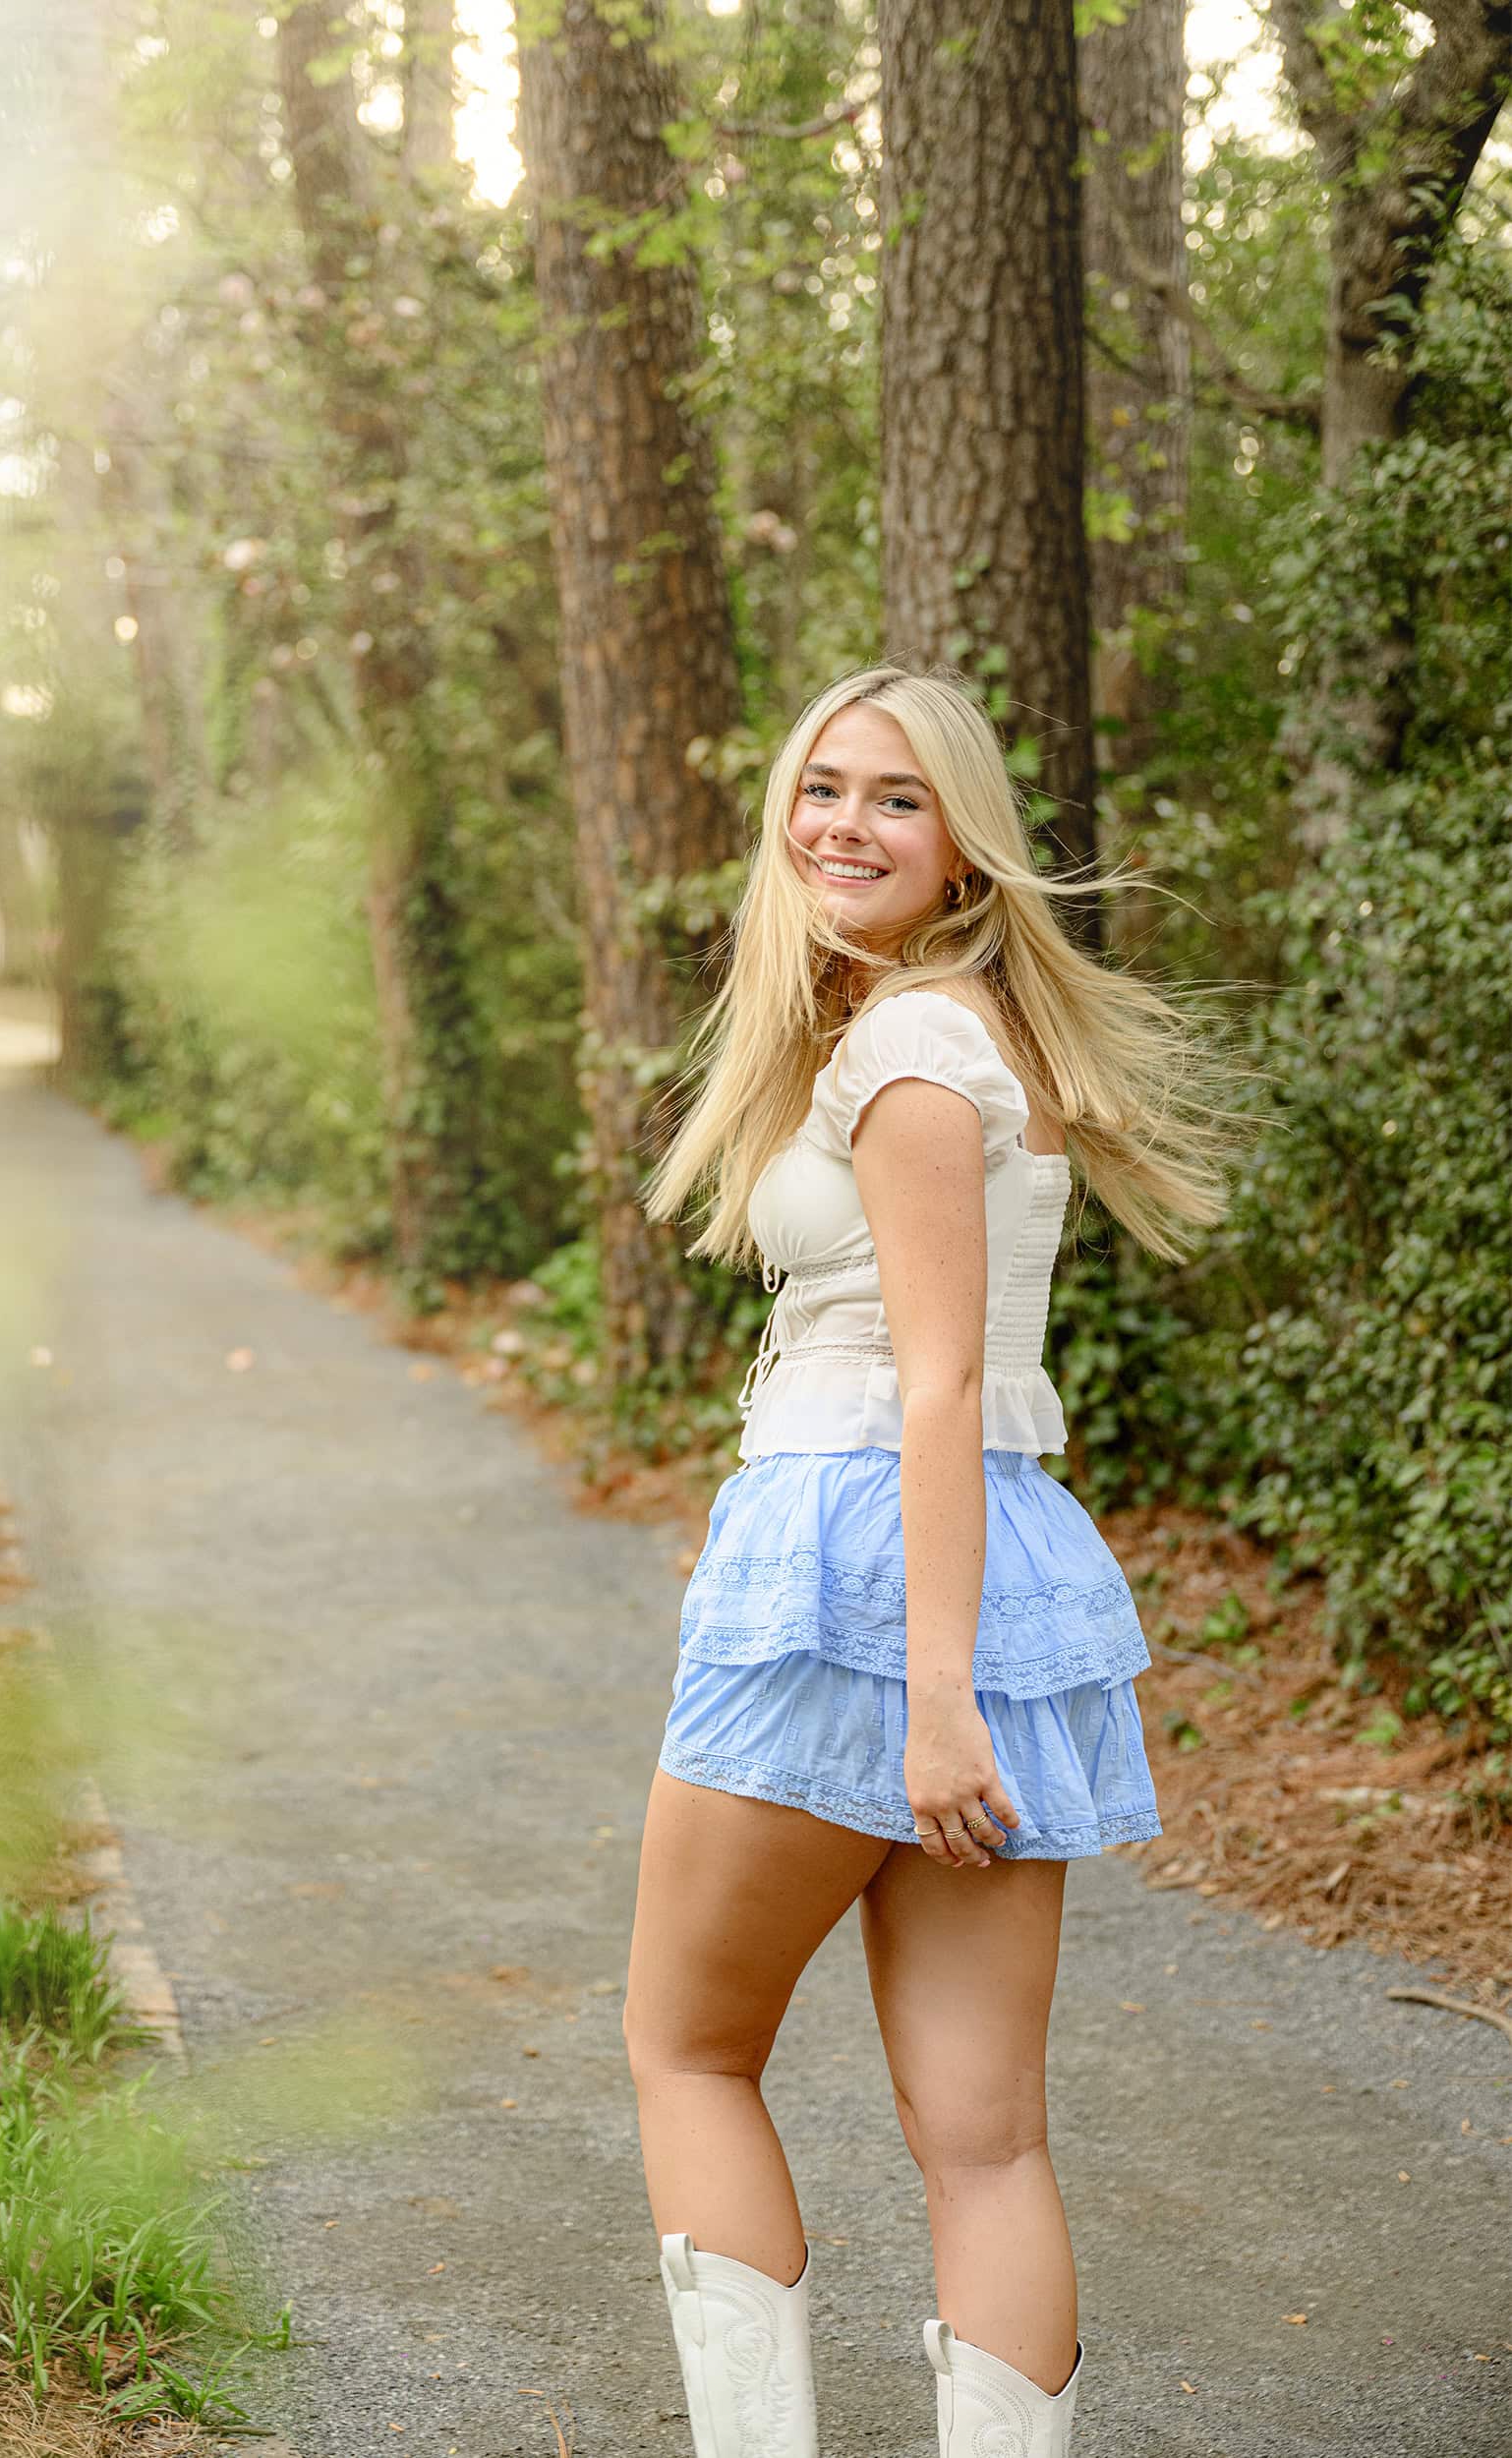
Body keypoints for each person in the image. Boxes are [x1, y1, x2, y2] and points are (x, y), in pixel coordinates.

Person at [625, 662, 1245, 2458]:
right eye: (823, 787)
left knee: (689, 2052)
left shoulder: (906, 1049)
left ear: (966, 844)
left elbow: (945, 1381)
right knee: (987, 2141)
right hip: (969, 1553)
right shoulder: (956, 1031)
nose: (846, 824)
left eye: (897, 797)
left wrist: (944, 1708)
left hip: (872, 1560)